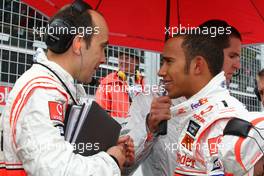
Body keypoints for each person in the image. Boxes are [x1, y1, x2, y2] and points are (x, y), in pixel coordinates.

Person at [0, 1, 134, 176]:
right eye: (102, 48)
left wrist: (105, 146)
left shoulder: (57, 88)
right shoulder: (40, 91)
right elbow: (57, 170)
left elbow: (63, 152)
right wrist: (112, 161)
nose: (104, 59)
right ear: (78, 44)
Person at [124, 31, 264, 176]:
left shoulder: (229, 116)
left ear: (197, 65)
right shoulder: (145, 102)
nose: (161, 71)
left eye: (169, 61)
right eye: (162, 61)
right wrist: (149, 127)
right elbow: (120, 166)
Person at [95, 48, 144, 126]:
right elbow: (101, 115)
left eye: (127, 58)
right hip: (117, 132)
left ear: (137, 62)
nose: (123, 61)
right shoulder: (107, 83)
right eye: (121, 58)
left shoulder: (144, 84)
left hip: (140, 133)